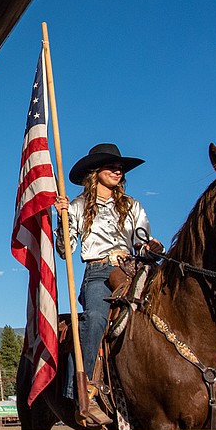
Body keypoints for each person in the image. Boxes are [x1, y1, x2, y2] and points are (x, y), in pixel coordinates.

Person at [55, 143, 155, 401]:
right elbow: (66, 251)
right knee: (96, 318)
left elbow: (141, 241)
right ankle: (80, 387)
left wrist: (150, 246)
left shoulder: (132, 206)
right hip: (98, 271)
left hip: (130, 270)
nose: (118, 171)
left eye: (120, 168)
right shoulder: (77, 206)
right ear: (95, 171)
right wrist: (62, 219)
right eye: (111, 166)